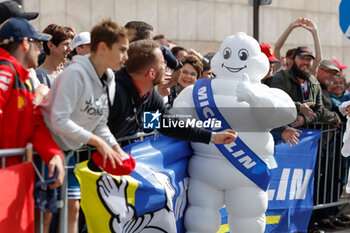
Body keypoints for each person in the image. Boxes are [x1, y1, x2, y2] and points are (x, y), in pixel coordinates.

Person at [40, 19, 129, 233]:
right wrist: (97, 142)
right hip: (44, 149)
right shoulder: (75, 73)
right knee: (45, 213)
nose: (126, 57)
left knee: (73, 207)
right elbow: (58, 120)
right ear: (102, 48)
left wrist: (114, 146)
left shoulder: (109, 78)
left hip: (70, 151)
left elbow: (99, 122)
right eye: (122, 50)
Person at [108, 39, 237, 146]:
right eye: (162, 64)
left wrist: (213, 137)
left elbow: (169, 125)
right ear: (151, 73)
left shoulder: (150, 94)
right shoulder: (111, 92)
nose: (167, 68)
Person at [0, 15, 65, 201]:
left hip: (12, 174)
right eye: (38, 43)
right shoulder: (5, 70)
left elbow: (35, 124)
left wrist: (54, 155)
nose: (40, 50)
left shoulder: (21, 78)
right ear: (25, 44)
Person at [270, 46, 323, 127]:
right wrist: (298, 106)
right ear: (293, 59)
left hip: (307, 135)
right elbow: (275, 99)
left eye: (309, 59)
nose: (305, 62)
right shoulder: (281, 77)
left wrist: (304, 119)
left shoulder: (314, 82)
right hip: (282, 132)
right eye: (302, 58)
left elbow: (319, 110)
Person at [35, 24, 75, 88]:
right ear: (50, 45)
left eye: (70, 44)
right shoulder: (39, 76)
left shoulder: (66, 72)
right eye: (65, 44)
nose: (70, 49)